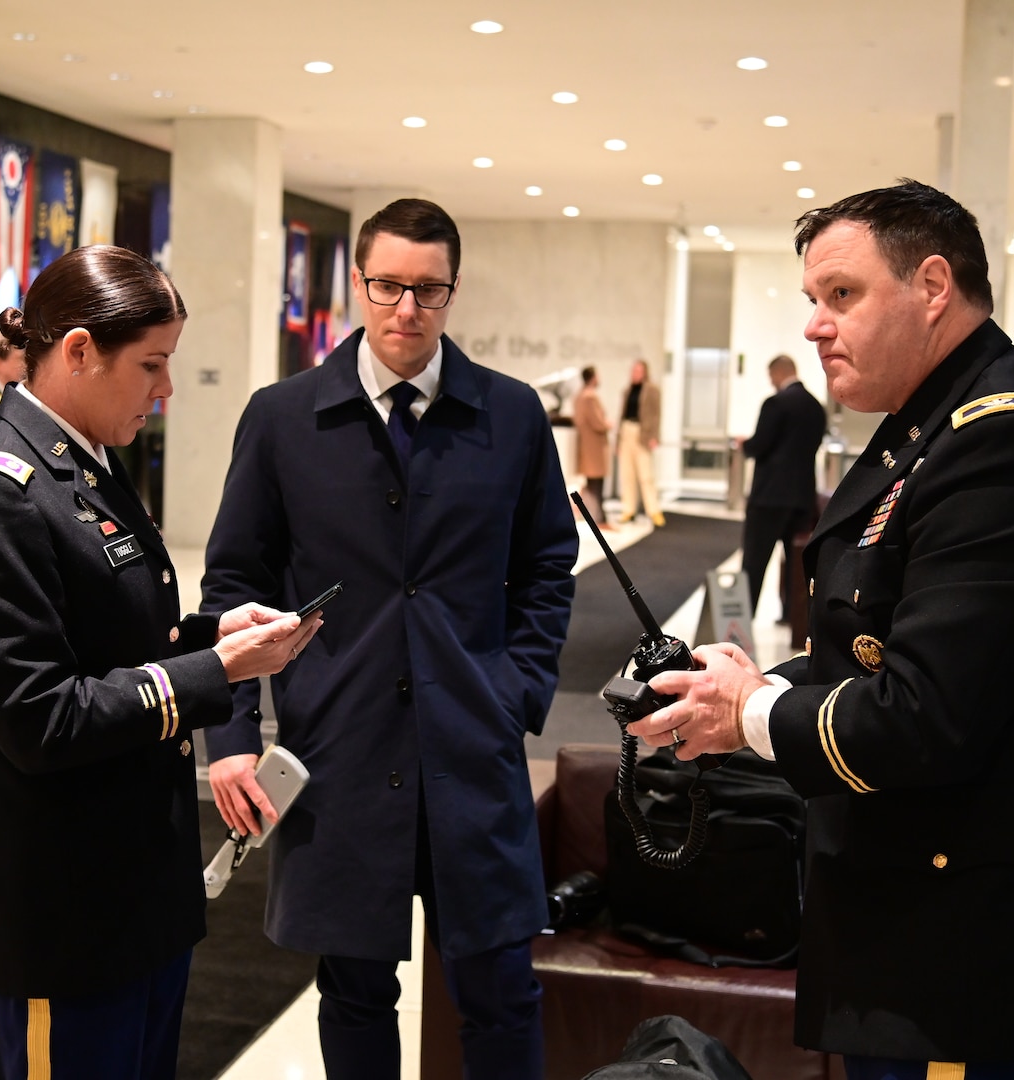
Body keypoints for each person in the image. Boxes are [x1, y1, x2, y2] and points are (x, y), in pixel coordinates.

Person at [632, 181, 1014, 1080]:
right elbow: (871, 642)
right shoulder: (928, 422)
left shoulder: (997, 442)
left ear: (932, 285)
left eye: (842, 294)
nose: (815, 327)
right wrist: (747, 684)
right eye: (812, 301)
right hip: (920, 920)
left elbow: (921, 715)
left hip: (972, 947)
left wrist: (747, 713)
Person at [202, 198, 578, 1080]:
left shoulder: (512, 416)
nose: (406, 308)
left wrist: (517, 690)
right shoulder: (283, 417)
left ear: (451, 291)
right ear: (357, 286)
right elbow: (233, 588)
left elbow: (547, 567)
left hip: (472, 747)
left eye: (428, 288)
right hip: (338, 747)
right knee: (356, 990)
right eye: (387, 286)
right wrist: (229, 740)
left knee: (498, 988)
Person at [0, 246, 319, 1080]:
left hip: (136, 896)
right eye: (151, 365)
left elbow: (118, 646)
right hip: (65, 916)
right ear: (78, 351)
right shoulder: (0, 492)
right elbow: (38, 716)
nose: (166, 389)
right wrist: (215, 671)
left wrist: (217, 634)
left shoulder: (87, 464)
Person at [737, 354, 826, 613]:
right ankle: (792, 616)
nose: (771, 382)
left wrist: (745, 445)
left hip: (769, 498)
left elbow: (760, 445)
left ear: (778, 373)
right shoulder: (816, 407)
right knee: (796, 565)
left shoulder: (775, 403)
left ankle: (743, 619)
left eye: (770, 376)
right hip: (802, 498)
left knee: (754, 563)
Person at [617, 358, 665, 527]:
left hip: (642, 433)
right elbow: (621, 415)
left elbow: (656, 415)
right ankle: (628, 510)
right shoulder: (627, 391)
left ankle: (654, 510)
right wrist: (618, 441)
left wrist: (654, 436)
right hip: (626, 431)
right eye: (633, 370)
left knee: (646, 476)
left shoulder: (652, 390)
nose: (635, 374)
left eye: (638, 371)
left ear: (644, 372)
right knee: (626, 475)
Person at [573, 365, 616, 529]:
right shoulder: (589, 397)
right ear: (592, 377)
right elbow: (597, 422)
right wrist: (608, 424)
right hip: (594, 448)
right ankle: (599, 519)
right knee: (596, 485)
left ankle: (596, 517)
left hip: (587, 446)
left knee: (593, 484)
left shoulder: (579, 396)